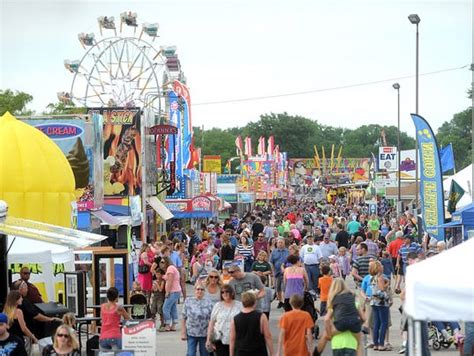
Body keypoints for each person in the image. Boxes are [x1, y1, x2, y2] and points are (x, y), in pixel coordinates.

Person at [324, 279, 365, 356]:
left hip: (337, 343)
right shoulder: (354, 303)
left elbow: (326, 319)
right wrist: (358, 324)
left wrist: (329, 333)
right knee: (359, 344)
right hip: (352, 343)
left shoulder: (334, 302)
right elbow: (363, 318)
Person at [229, 292, 273, 356]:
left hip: (241, 351)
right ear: (255, 302)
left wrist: (231, 354)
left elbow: (232, 339)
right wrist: (272, 353)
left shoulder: (235, 319)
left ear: (242, 303)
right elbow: (268, 336)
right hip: (258, 351)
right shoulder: (261, 316)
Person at [206, 285, 242, 356]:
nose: (224, 294)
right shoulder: (217, 305)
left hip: (236, 338)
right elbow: (212, 322)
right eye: (222, 292)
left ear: (232, 293)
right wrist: (209, 339)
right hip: (220, 338)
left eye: (227, 291)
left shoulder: (239, 305)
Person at [181, 283, 215, 356]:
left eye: (202, 289)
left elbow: (212, 319)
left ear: (204, 291)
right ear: (194, 290)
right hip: (191, 332)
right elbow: (183, 317)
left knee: (205, 354)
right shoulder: (188, 301)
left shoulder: (209, 302)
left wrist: (211, 335)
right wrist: (183, 332)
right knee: (191, 353)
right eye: (198, 289)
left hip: (204, 333)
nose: (200, 291)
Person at [369, 261, 391, 351]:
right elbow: (382, 288)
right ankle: (381, 344)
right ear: (378, 268)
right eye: (381, 265)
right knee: (384, 323)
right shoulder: (380, 277)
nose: (382, 266)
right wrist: (387, 283)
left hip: (374, 302)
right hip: (381, 302)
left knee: (376, 323)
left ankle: (376, 343)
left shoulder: (372, 277)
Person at [160, 256, 182, 332]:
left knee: (165, 308)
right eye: (161, 262)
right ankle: (174, 324)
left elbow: (170, 281)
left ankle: (167, 324)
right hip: (176, 291)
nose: (161, 264)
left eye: (163, 262)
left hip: (173, 291)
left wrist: (167, 292)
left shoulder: (170, 269)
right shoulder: (172, 268)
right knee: (173, 308)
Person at [270, 238, 289, 308]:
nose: (280, 244)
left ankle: (284, 302)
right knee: (277, 288)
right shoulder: (274, 252)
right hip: (277, 272)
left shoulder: (288, 251)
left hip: (286, 273)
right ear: (277, 244)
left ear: (284, 243)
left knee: (284, 288)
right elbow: (271, 262)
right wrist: (272, 271)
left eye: (281, 242)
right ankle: (280, 301)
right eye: (279, 243)